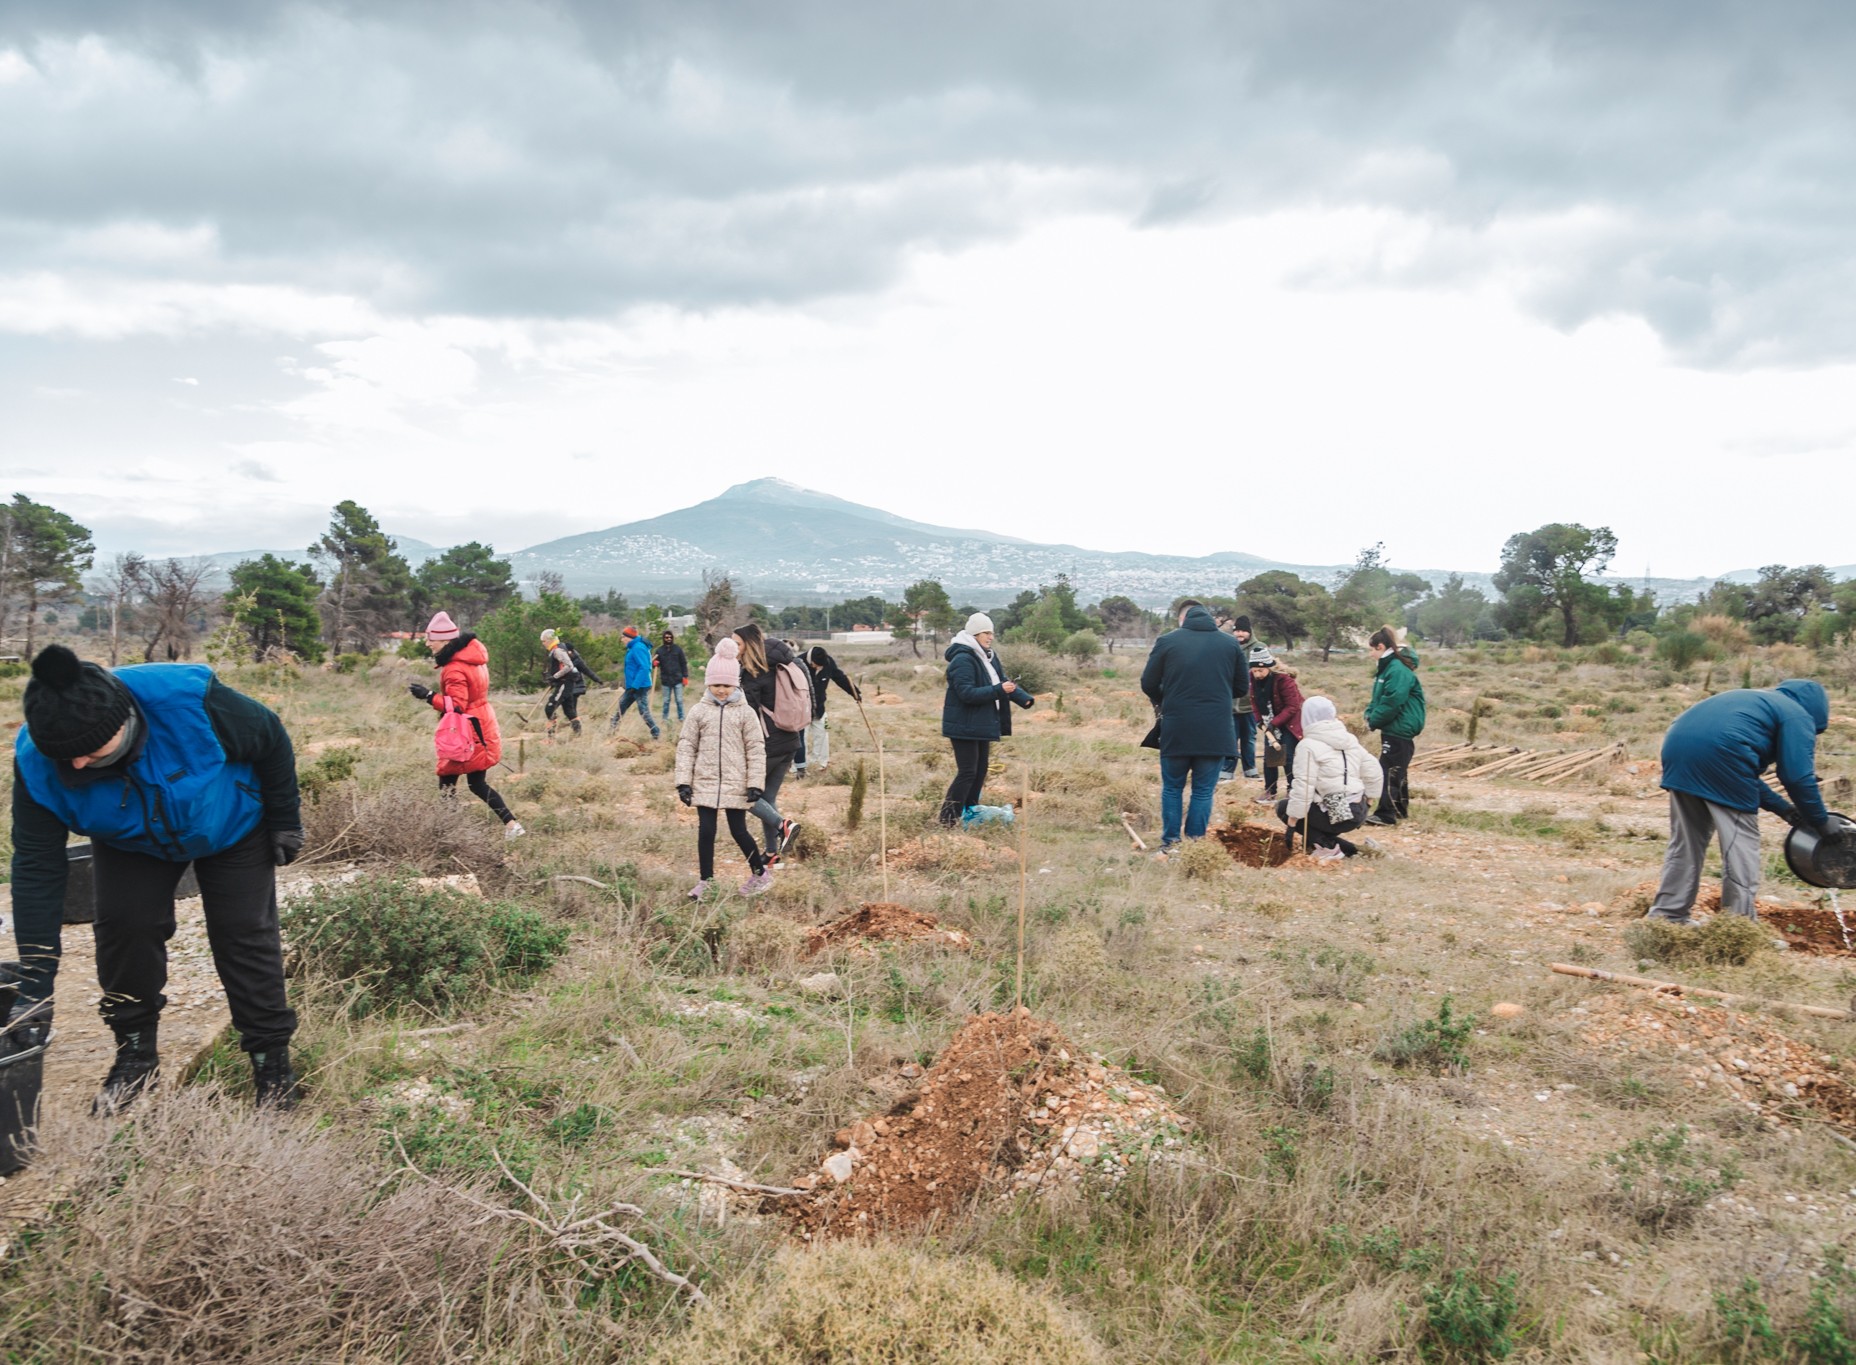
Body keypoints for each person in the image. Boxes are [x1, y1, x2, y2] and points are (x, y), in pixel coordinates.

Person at [7, 644, 304, 1112]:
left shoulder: (188, 702)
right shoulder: (37, 763)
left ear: (123, 725)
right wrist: (35, 987)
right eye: (64, 758)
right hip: (131, 840)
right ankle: (135, 1059)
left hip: (230, 824)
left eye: (87, 752)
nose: (76, 766)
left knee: (244, 933)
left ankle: (273, 1066)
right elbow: (36, 869)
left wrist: (286, 818)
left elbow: (270, 736)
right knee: (125, 928)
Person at [1647, 679, 1847, 924]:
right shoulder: (1798, 715)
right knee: (1740, 847)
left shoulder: (1759, 701)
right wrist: (1821, 821)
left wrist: (1783, 809)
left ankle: (1667, 916)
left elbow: (1740, 772)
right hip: (1722, 753)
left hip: (1677, 750)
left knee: (1685, 845)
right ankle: (1738, 925)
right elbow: (1796, 776)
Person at [1140, 600, 1249, 855]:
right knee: (1203, 791)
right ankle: (1194, 846)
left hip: (1177, 726)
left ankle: (1170, 844)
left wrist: (1167, 697)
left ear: (1182, 619)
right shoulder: (1230, 643)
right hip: (1216, 729)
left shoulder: (1168, 641)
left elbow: (1148, 683)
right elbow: (1242, 688)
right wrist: (1218, 693)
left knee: (1172, 787)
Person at [409, 611, 525, 841]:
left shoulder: (454, 668)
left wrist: (428, 695)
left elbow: (457, 705)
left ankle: (452, 834)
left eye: (431, 638)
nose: (427, 642)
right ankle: (512, 826)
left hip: (464, 732)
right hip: (480, 723)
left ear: (445, 640)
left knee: (447, 783)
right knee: (475, 783)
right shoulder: (473, 659)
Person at [675, 638, 772, 899]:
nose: (721, 690)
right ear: (708, 684)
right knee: (706, 831)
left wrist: (755, 783)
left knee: (738, 830)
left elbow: (755, 749)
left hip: (735, 782)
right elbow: (686, 746)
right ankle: (706, 882)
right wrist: (683, 782)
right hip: (704, 781)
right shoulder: (698, 711)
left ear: (735, 684)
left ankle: (760, 874)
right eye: (716, 685)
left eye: (727, 685)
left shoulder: (745, 713)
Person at [939, 613, 1036, 827]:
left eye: (992, 632)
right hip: (963, 725)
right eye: (986, 633)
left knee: (980, 770)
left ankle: (970, 811)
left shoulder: (988, 657)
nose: (991, 637)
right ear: (974, 634)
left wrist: (1023, 699)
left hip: (980, 723)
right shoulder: (963, 659)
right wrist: (998, 690)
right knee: (967, 772)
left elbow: (1001, 681)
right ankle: (948, 819)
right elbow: (967, 693)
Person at [734, 622, 809, 864]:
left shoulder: (753, 671)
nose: (733, 648)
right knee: (767, 797)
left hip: (768, 745)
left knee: (741, 794)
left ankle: (783, 825)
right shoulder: (782, 664)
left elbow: (746, 712)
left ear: (749, 644)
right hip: (790, 740)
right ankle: (771, 852)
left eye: (737, 643)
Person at [1279, 696, 1384, 862]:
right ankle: (1354, 851)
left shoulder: (1308, 745)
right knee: (1314, 831)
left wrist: (1292, 822)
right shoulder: (1350, 740)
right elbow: (1374, 771)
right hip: (1358, 807)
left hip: (1337, 810)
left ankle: (1328, 849)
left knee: (1283, 807)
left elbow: (1303, 786)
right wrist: (1368, 802)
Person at [1362, 626, 1425, 825]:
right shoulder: (1390, 668)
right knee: (1399, 769)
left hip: (1399, 727)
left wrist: (1374, 720)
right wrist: (1370, 713)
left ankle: (1385, 814)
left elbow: (1392, 701)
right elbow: (1379, 698)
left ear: (1381, 647)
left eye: (1371, 650)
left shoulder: (1396, 669)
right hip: (1395, 727)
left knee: (1389, 770)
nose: (1370, 654)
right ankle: (1399, 810)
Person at [793, 642, 861, 777]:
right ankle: (799, 767)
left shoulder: (828, 662)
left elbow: (840, 678)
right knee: (801, 739)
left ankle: (820, 764)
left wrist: (855, 693)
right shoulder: (797, 664)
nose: (819, 667)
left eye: (821, 665)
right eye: (816, 665)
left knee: (822, 734)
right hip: (801, 709)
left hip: (820, 708)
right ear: (810, 660)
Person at [1248, 646, 1304, 804]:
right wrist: (1260, 721)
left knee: (1287, 757)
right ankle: (1270, 791)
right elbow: (1254, 701)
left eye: (1261, 671)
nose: (1257, 674)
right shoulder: (1253, 678)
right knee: (1270, 757)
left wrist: (1275, 723)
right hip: (1269, 722)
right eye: (1254, 670)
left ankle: (1292, 790)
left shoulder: (1284, 680)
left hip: (1290, 722)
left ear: (1269, 667)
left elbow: (1293, 706)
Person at [1220, 615, 1262, 783]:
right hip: (1229, 704)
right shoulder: (1228, 647)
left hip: (1250, 704)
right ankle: (1226, 771)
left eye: (1243, 630)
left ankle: (1250, 770)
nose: (1239, 634)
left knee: (1249, 739)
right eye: (1237, 630)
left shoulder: (1259, 648)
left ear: (1249, 632)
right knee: (1230, 738)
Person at [540, 627, 599, 737]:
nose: (543, 644)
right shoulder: (555, 650)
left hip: (564, 682)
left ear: (549, 640)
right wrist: (552, 678)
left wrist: (554, 677)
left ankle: (550, 737)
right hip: (565, 682)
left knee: (550, 708)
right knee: (569, 711)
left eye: (543, 641)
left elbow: (569, 666)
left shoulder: (557, 650)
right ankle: (578, 735)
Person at [609, 626, 662, 740]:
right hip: (633, 685)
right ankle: (612, 731)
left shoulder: (638, 648)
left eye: (623, 637)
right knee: (621, 706)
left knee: (643, 711)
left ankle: (655, 732)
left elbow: (644, 667)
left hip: (640, 686)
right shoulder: (633, 647)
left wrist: (635, 685)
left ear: (629, 638)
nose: (621, 639)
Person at [656, 629, 690, 724]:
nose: (669, 639)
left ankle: (681, 717)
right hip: (665, 680)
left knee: (679, 700)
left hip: (677, 679)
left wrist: (685, 677)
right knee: (666, 701)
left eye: (670, 637)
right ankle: (664, 718)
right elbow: (654, 663)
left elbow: (683, 663)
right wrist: (655, 663)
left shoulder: (677, 649)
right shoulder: (659, 650)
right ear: (663, 638)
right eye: (666, 637)